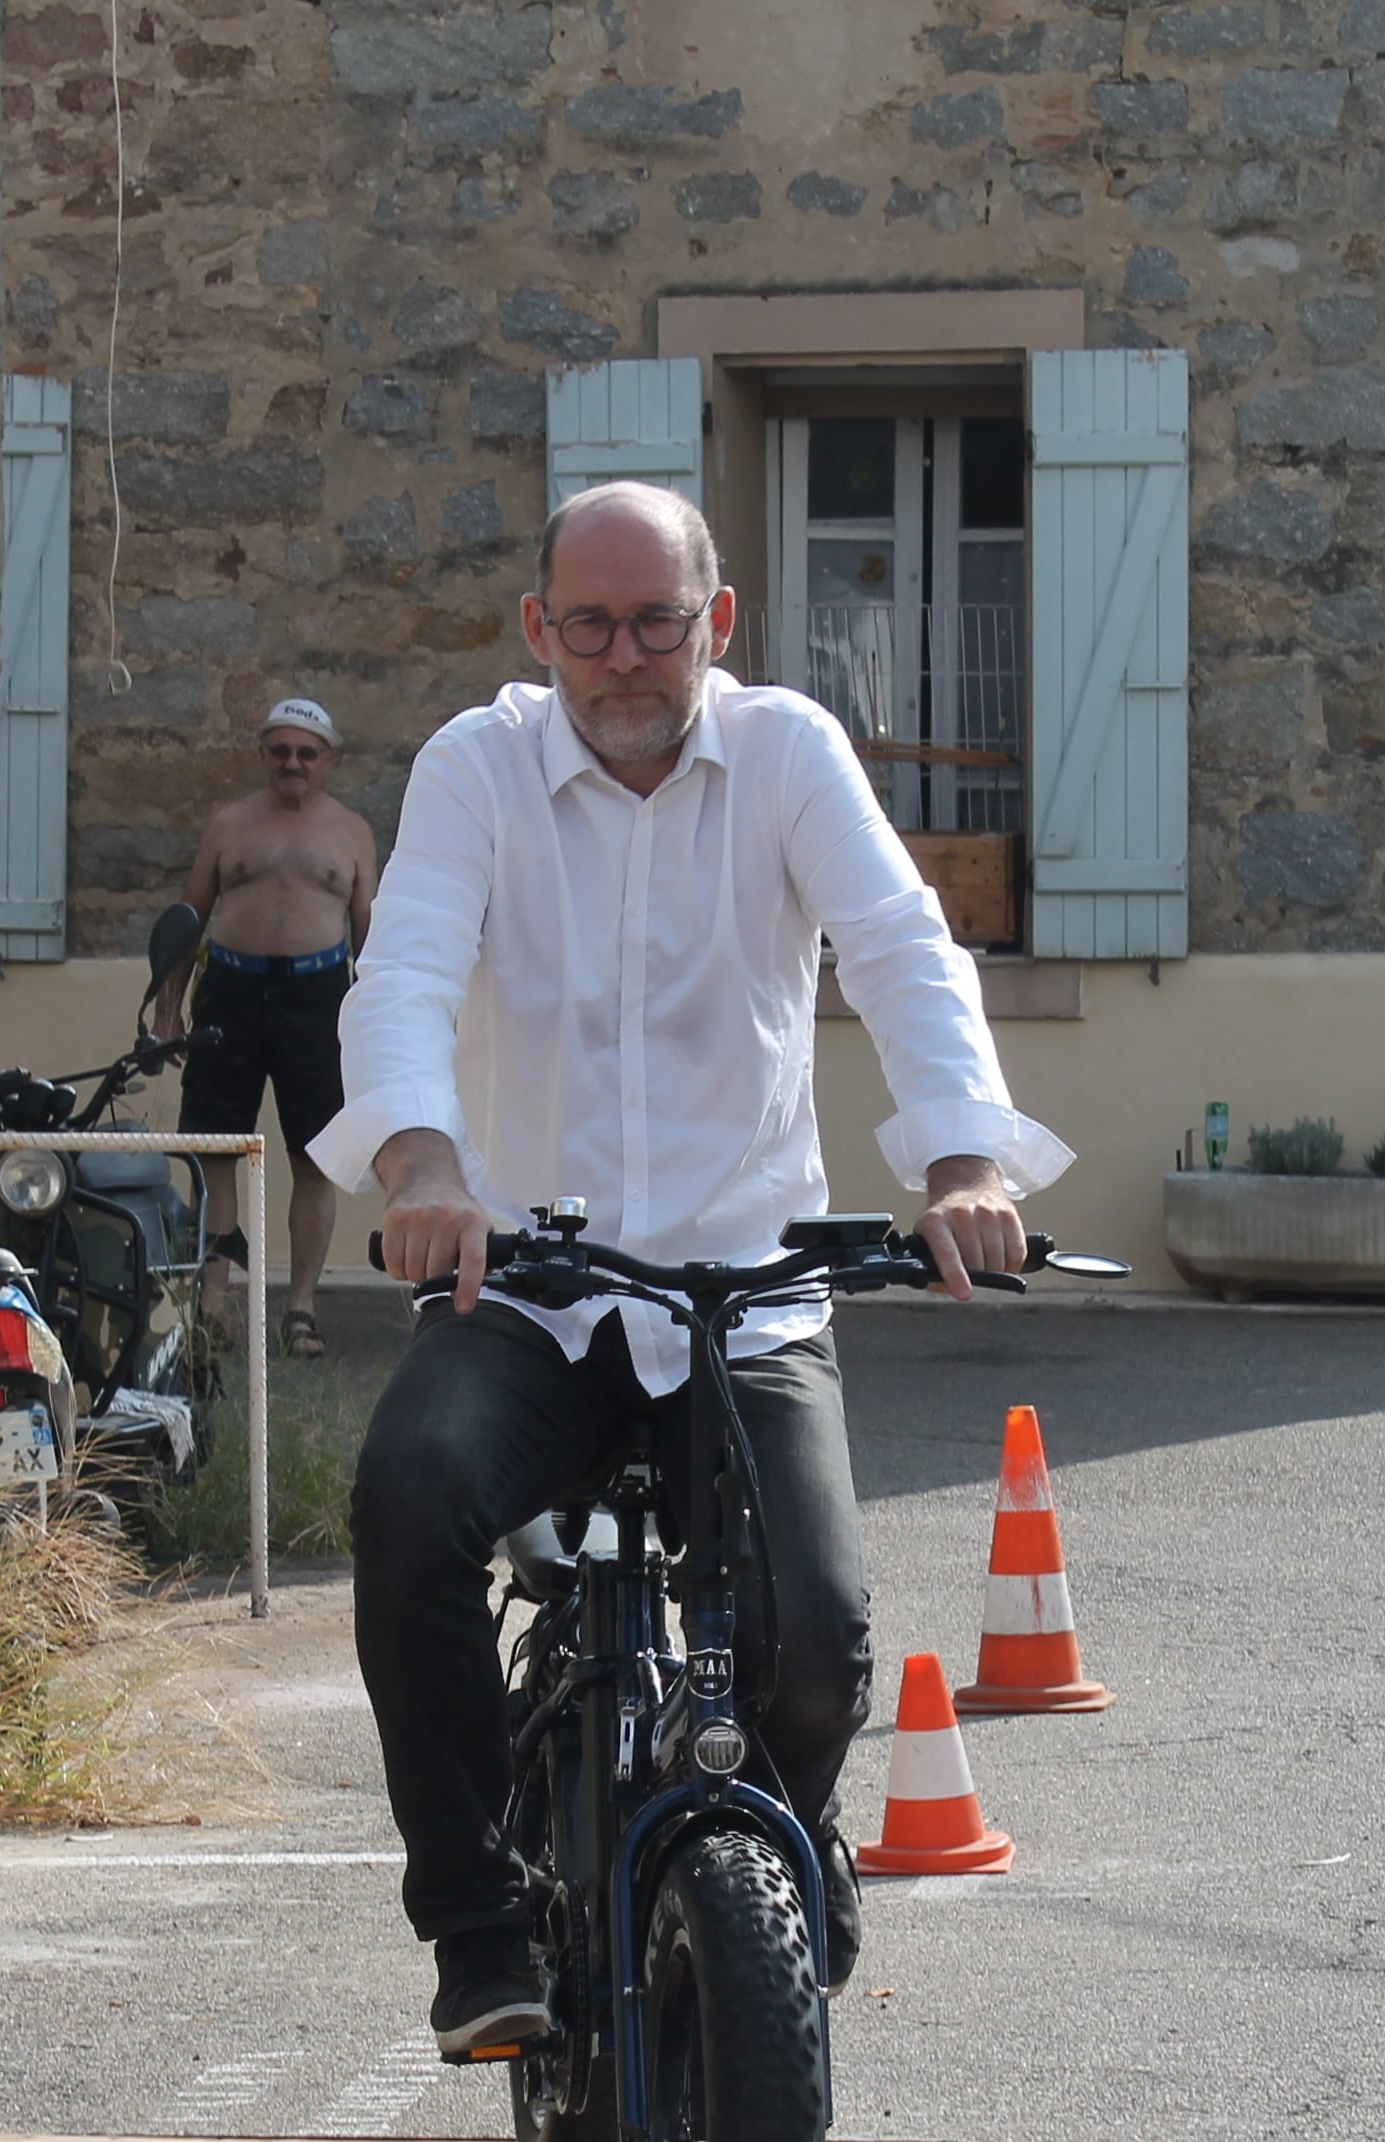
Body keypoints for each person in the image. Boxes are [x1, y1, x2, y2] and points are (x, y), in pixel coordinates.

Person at [307, 482, 1074, 2061]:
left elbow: (901, 944)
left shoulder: (788, 750)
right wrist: (425, 1169)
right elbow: (406, 975)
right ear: (541, 633)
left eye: (659, 622)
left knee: (817, 1646)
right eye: (588, 626)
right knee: (408, 1499)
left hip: (745, 1287)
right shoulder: (479, 766)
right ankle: (480, 1923)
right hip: (526, 1286)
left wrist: (960, 1165)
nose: (625, 658)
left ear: (717, 625)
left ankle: (790, 1841)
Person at [156, 698, 377, 1358]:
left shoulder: (352, 833)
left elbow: (373, 939)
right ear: (263, 754)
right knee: (215, 1151)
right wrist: (169, 1009)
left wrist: (380, 1029)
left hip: (317, 998)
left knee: (315, 1159)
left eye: (307, 753)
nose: (293, 763)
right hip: (231, 991)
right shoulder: (230, 825)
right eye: (281, 750)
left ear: (327, 760)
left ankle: (301, 1310)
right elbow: (187, 918)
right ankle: (214, 1304)